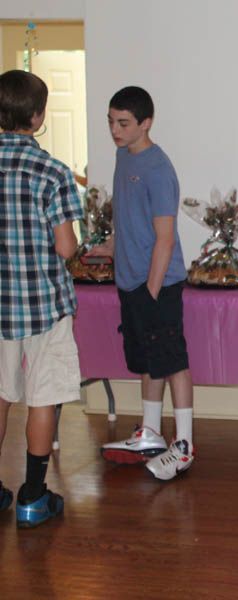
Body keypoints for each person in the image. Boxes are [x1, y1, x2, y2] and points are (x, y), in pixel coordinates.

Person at [89, 86, 195, 481]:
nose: (115, 131)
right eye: (111, 122)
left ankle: (183, 446)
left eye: (123, 123)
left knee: (172, 361)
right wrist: (113, 246)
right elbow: (132, 219)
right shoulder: (123, 157)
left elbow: (165, 239)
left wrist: (150, 292)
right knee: (148, 361)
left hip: (158, 284)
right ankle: (150, 432)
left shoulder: (158, 169)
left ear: (145, 123)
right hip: (131, 282)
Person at [0, 69, 83, 527]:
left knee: (0, 394)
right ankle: (33, 497)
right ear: (38, 116)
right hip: (43, 305)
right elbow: (66, 248)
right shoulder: (52, 171)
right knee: (42, 396)